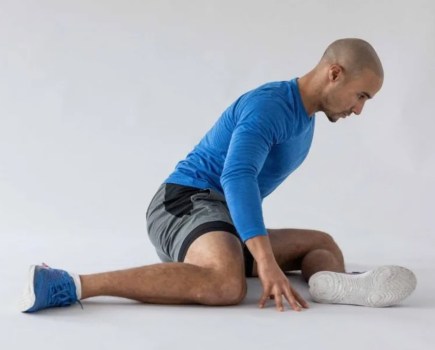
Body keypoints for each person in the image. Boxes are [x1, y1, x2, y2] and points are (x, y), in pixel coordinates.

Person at [20, 38, 417, 314]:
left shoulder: (306, 119)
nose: (359, 109)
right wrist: (263, 260)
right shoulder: (271, 106)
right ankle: (71, 283)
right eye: (361, 95)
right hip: (182, 203)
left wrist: (262, 253)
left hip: (221, 220)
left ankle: (335, 287)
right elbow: (238, 175)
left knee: (322, 246)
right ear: (335, 73)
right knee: (227, 285)